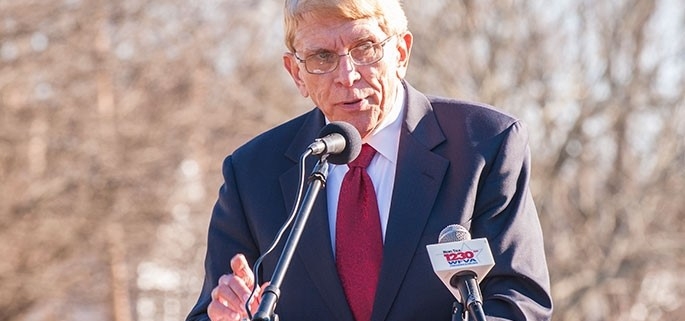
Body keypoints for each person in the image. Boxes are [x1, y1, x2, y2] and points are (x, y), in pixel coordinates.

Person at [186, 0, 553, 320]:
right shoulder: (251, 174)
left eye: (365, 47)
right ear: (297, 73)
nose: (347, 75)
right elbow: (210, 312)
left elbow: (518, 303)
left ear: (401, 53)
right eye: (322, 57)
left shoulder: (483, 145)